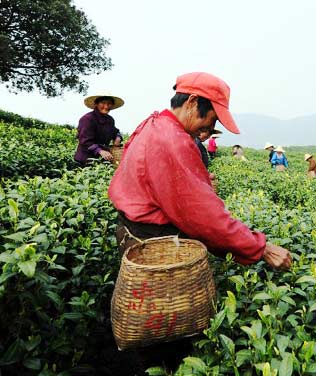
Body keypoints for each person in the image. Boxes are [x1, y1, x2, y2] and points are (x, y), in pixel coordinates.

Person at [108, 71, 292, 268]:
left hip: (133, 236)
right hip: (156, 247)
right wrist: (260, 247)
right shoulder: (174, 140)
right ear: (193, 102)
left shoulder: (153, 124)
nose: (209, 127)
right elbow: (205, 217)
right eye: (213, 119)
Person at [74, 93, 124, 165]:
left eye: (109, 104)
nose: (106, 106)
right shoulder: (87, 119)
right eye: (103, 103)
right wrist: (100, 150)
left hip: (102, 160)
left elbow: (115, 131)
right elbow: (85, 141)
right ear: (96, 104)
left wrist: (118, 137)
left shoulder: (110, 120)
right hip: (85, 160)